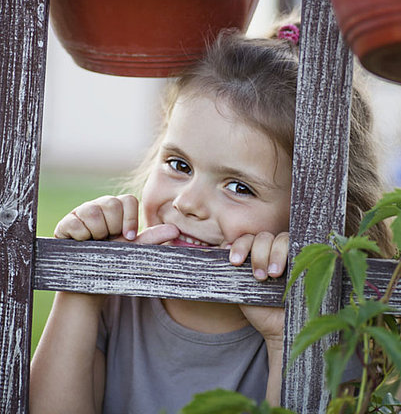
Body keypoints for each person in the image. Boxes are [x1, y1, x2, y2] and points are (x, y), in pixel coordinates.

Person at [30, 21, 395, 414]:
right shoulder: (116, 301)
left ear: (307, 214)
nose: (188, 203)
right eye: (178, 164)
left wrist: (284, 337)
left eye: (239, 187)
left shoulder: (328, 325)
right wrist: (82, 285)